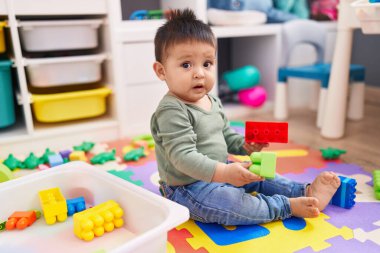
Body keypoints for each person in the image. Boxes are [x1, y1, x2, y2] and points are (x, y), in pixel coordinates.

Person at [150, 9, 341, 225]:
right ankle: (285, 206)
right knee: (229, 202)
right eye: (186, 65)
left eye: (207, 64)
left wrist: (245, 146)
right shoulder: (171, 110)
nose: (199, 73)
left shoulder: (212, 100)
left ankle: (304, 190)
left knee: (259, 175)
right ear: (161, 71)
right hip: (188, 187)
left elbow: (224, 136)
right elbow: (183, 157)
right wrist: (224, 173)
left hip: (221, 169)